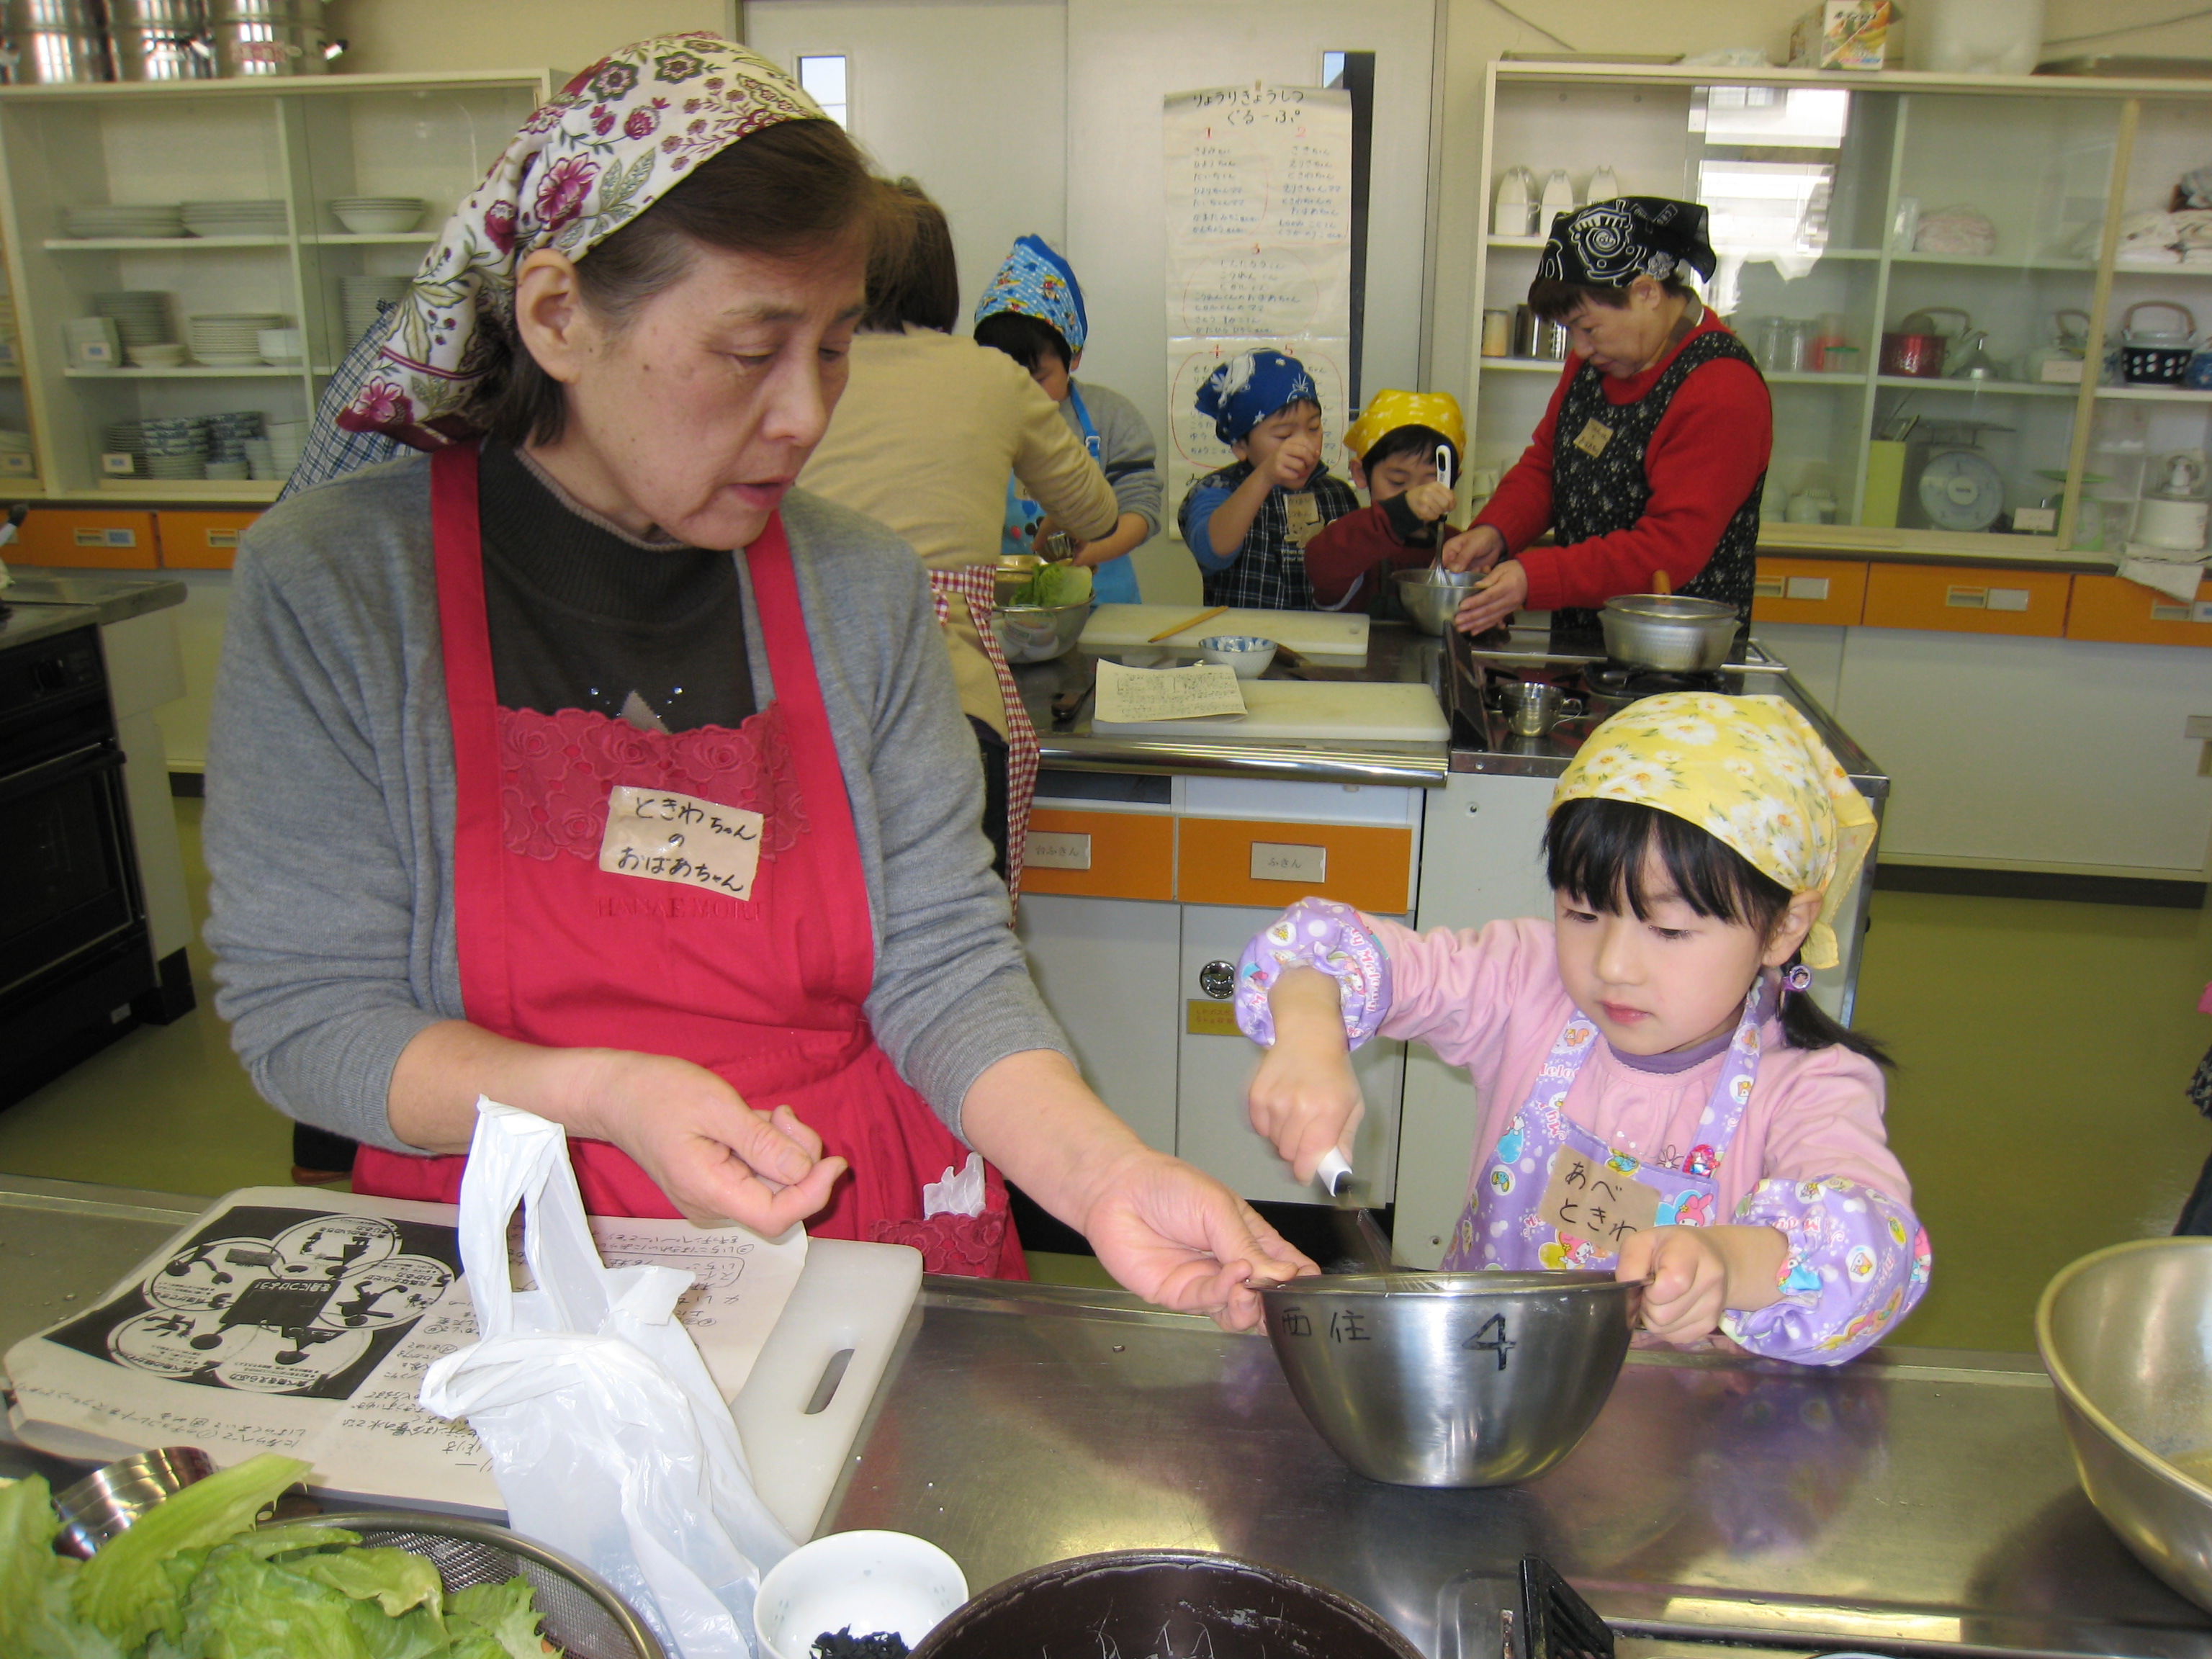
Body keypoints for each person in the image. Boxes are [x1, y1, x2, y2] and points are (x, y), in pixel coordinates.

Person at [202, 35, 1310, 1328]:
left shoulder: (859, 586)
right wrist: (602, 1095)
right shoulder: (339, 587)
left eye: (834, 348)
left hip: (847, 1230)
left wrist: (1104, 1174)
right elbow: (306, 1016)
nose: (805, 416)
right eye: (751, 349)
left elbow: (942, 962)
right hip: (513, 1260)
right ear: (557, 315)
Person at [1233, 693, 1930, 1363]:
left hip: (1677, 1421)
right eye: (1583, 914)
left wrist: (1731, 1262)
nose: (1613, 966)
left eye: (1669, 930)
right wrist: (1309, 1035)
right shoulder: (1528, 980)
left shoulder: (1810, 1087)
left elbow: (1875, 1254)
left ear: (1784, 927)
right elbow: (1320, 948)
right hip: (1485, 1381)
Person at [799, 181, 1117, 893]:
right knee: (956, 936)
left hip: (814, 703)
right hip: (950, 709)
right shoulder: (992, 377)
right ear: (945, 284)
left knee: (825, 935)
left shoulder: (800, 371)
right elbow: (1096, 513)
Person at [1442, 199, 1771, 639]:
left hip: (1676, 652)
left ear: (1646, 293)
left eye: (1588, 328)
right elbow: (1547, 466)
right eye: (1570, 331)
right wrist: (1496, 530)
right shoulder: (1599, 361)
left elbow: (1670, 548)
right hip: (1586, 636)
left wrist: (1534, 577)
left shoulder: (1721, 388)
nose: (1579, 349)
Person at [973, 234, 1161, 605]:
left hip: (1105, 603)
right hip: (1008, 606)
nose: (1024, 394)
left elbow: (1141, 510)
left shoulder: (1111, 416)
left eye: (1039, 378)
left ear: (1073, 356)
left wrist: (1090, 553)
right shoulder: (976, 421)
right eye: (1007, 377)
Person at [1177, 349, 1358, 611]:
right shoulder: (1216, 489)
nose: (1304, 444)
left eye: (1313, 427)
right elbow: (1212, 552)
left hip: (1325, 633)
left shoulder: (1337, 493)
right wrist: (1264, 476)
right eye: (1284, 435)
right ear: (1241, 446)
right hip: (1243, 635)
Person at [1302, 389, 1465, 614]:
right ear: (1361, 473)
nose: (1416, 494)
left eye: (1432, 481)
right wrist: (1401, 512)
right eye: (1398, 481)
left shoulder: (1458, 546)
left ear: (1454, 480)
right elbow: (1321, 565)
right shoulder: (1353, 537)